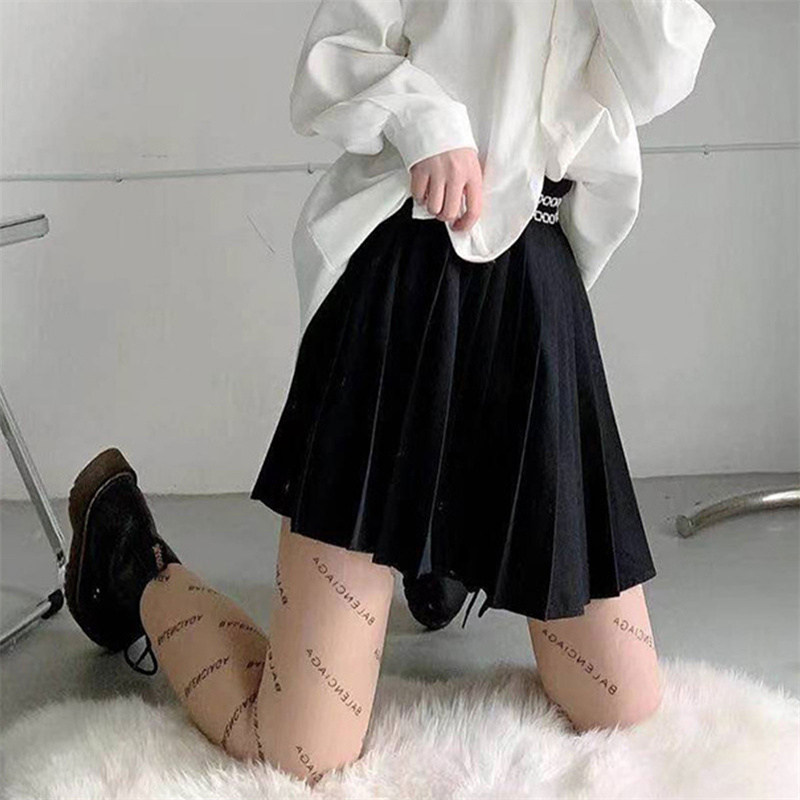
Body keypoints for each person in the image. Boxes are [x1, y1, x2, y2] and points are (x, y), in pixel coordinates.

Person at [63, 0, 716, 788]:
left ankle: (439, 547)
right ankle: (133, 563)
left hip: (537, 296)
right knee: (302, 750)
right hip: (409, 278)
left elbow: (660, 69)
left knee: (622, 702)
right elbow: (333, 54)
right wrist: (425, 120)